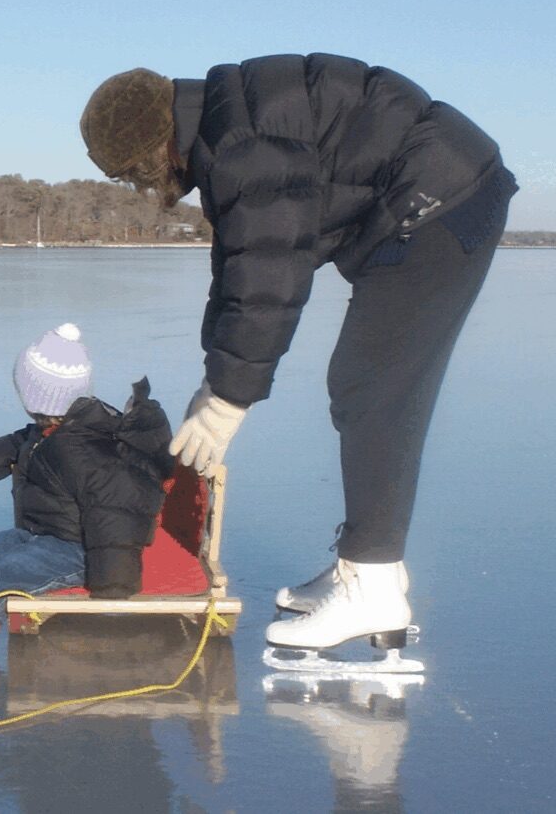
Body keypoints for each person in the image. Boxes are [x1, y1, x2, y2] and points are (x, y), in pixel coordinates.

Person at [79, 54, 517, 653]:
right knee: (369, 387)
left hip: (441, 202)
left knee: (373, 391)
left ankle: (373, 587)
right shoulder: (226, 122)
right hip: (436, 190)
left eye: (134, 176)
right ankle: (363, 568)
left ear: (154, 149)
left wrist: (230, 398)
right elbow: (242, 268)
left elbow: (271, 275)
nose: (145, 188)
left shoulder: (241, 143)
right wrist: (217, 376)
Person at [0, 323, 175, 653]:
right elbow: (27, 441)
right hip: (43, 533)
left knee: (13, 570)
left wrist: (114, 579)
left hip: (79, 550)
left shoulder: (87, 453)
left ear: (36, 397)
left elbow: (115, 509)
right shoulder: (52, 431)